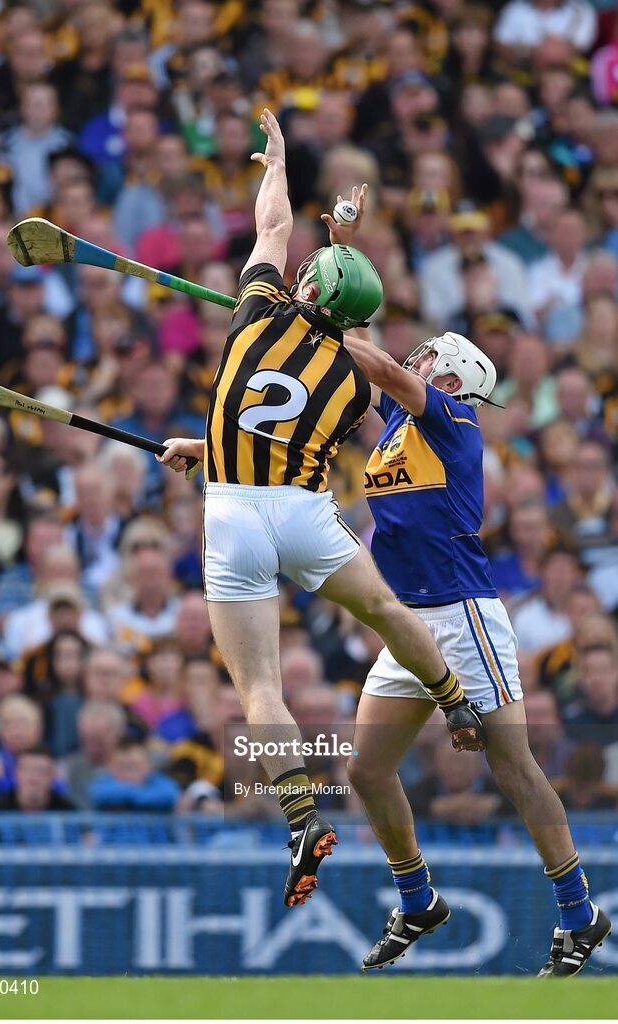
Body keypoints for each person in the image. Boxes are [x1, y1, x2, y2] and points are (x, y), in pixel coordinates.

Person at [159, 109, 484, 909]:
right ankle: (452, 698)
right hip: (304, 512)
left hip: (233, 513)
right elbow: (317, 377)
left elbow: (272, 220)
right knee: (379, 607)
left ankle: (299, 812)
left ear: (303, 289)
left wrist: (275, 166)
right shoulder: (358, 379)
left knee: (261, 689)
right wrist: (344, 244)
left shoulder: (255, 312)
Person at [333, 188, 610, 977]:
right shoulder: (394, 427)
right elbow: (355, 360)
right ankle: (418, 898)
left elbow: (374, 359)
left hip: (462, 616)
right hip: (408, 622)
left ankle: (578, 915)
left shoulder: (452, 420)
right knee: (365, 768)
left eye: (426, 355)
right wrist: (334, 250)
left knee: (512, 765)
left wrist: (318, 309)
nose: (413, 358)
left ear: (448, 374)